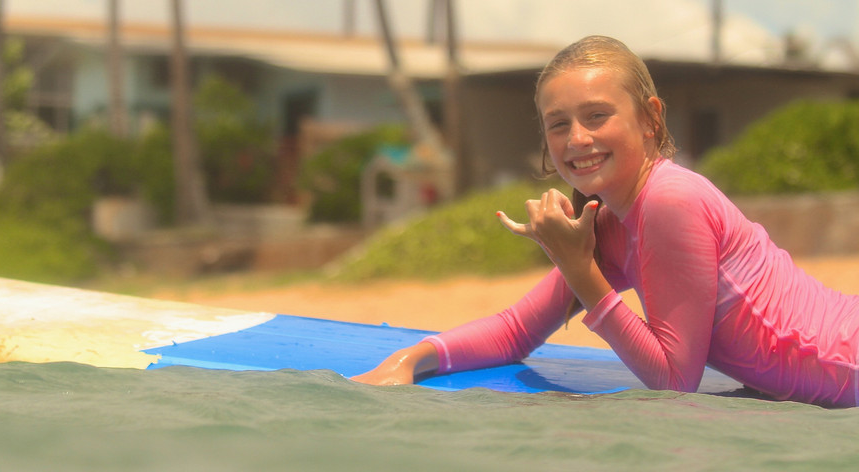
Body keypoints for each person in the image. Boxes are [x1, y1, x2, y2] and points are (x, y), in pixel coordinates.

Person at [352, 35, 859, 407]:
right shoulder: (611, 225)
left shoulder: (668, 200)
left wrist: (583, 276)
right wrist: (414, 358)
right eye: (559, 124)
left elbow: (673, 381)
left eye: (597, 116)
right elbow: (514, 330)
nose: (577, 138)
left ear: (650, 118)